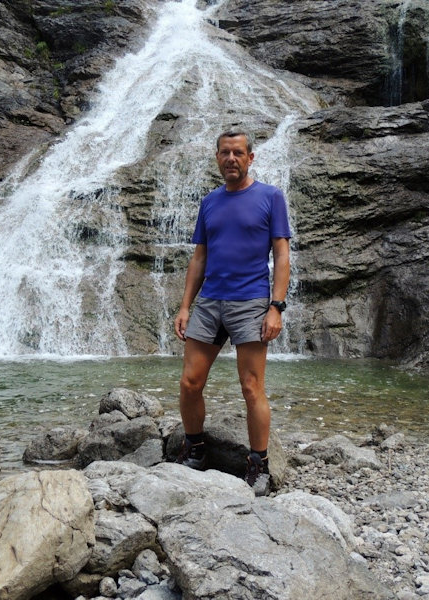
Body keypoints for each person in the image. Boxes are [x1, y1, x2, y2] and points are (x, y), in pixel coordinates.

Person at [173, 129, 290, 494]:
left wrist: (276, 307)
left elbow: (282, 254)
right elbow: (199, 258)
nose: (231, 158)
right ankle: (195, 448)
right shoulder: (209, 202)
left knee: (251, 387)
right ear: (217, 157)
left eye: (238, 152)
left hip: (251, 301)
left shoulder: (270, 197)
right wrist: (185, 305)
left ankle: (259, 464)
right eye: (225, 152)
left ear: (250, 157)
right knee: (190, 382)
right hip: (210, 301)